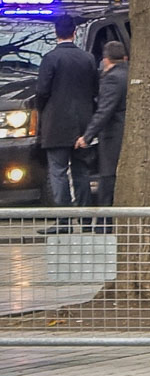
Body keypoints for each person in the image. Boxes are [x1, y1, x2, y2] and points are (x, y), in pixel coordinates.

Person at [36, 14, 98, 233]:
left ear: (56, 33)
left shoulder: (50, 59)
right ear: (75, 32)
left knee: (58, 172)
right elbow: (94, 91)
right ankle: (85, 220)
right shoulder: (88, 59)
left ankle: (63, 221)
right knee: (82, 172)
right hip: (83, 124)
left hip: (56, 125)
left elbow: (42, 91)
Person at [76, 41, 128, 218]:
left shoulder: (112, 79)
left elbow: (104, 110)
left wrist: (87, 136)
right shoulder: (127, 73)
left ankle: (103, 224)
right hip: (123, 134)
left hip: (113, 136)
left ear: (105, 60)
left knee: (107, 178)